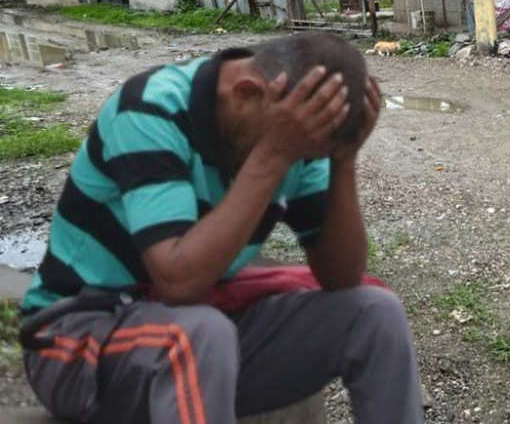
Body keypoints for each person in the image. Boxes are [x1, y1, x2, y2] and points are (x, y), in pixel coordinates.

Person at [18, 32, 424, 424]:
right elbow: (178, 283)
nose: (299, 158)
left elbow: (341, 277)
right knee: (197, 336)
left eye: (308, 149)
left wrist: (343, 161)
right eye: (294, 144)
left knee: (375, 312)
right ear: (246, 93)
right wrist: (274, 155)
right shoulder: (150, 110)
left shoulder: (291, 130)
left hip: (206, 337)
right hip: (74, 344)